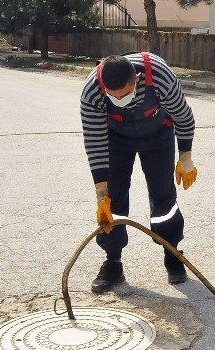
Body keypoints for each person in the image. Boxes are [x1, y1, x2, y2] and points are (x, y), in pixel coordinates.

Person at [80, 52, 198, 290]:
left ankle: (172, 253)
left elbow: (183, 116)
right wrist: (101, 193)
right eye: (113, 96)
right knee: (113, 200)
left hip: (158, 135)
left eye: (124, 94)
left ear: (136, 79)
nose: (119, 100)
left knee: (163, 196)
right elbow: (95, 141)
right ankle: (113, 262)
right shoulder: (92, 91)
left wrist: (185, 155)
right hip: (115, 139)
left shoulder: (159, 76)